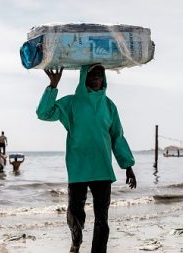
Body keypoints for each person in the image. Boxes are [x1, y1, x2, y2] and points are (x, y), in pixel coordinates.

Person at [36, 64, 137, 253]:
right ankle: (76, 240)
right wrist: (52, 87)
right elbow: (44, 113)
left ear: (104, 79)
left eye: (99, 75)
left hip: (102, 168)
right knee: (74, 212)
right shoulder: (71, 103)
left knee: (102, 220)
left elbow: (118, 137)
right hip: (78, 167)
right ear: (84, 78)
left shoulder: (109, 106)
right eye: (92, 75)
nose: (96, 78)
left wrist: (128, 165)